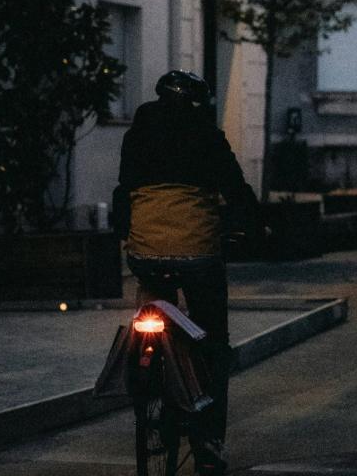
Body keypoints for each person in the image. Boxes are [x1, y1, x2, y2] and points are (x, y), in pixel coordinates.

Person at [113, 70, 262, 475]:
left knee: (150, 307)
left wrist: (123, 231)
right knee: (214, 338)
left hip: (144, 252)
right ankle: (209, 439)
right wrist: (253, 225)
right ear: (197, 104)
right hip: (197, 255)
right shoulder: (208, 136)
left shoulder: (137, 134)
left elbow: (123, 190)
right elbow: (235, 188)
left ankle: (145, 377)